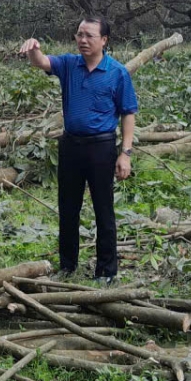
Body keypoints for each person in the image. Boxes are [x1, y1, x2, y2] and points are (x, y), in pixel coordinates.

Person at [19, 17, 138, 282]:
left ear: (104, 40)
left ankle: (106, 271)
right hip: (71, 145)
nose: (83, 40)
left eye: (89, 36)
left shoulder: (117, 72)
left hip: (101, 147)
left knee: (103, 209)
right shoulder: (69, 64)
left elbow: (128, 113)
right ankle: (68, 266)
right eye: (79, 35)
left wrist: (125, 153)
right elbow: (41, 62)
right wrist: (33, 48)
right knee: (68, 207)